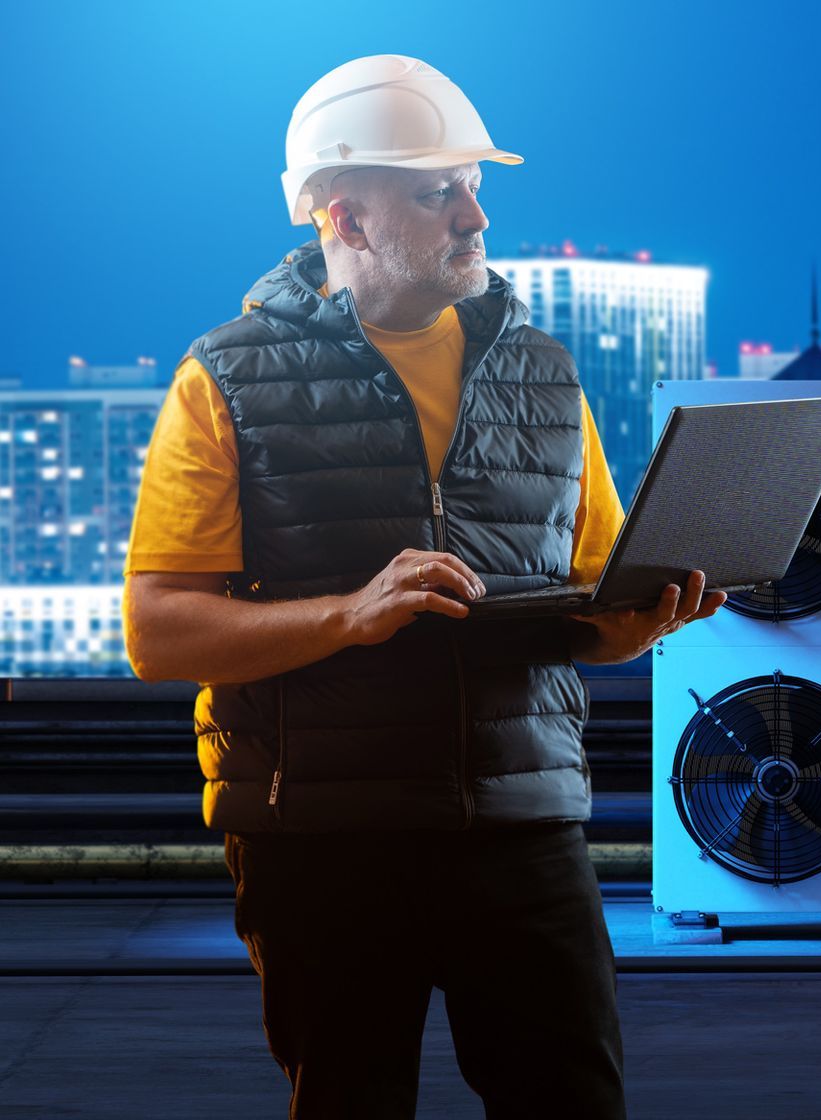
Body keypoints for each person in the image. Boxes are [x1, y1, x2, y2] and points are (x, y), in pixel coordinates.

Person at [121, 54, 721, 1118]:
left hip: (524, 821)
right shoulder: (225, 379)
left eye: (473, 187)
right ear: (345, 217)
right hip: (322, 837)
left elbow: (587, 603)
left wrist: (633, 627)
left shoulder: (545, 374)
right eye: (440, 191)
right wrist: (349, 617)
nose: (475, 215)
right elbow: (160, 632)